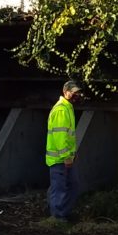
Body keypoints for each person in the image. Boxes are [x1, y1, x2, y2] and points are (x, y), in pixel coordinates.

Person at [45, 80, 84, 223]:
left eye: (78, 92)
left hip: (65, 158)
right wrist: (67, 156)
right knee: (60, 188)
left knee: (69, 186)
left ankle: (61, 213)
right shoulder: (62, 110)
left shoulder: (67, 108)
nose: (77, 95)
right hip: (60, 159)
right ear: (66, 92)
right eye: (74, 92)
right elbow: (60, 137)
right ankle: (57, 217)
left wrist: (72, 155)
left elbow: (66, 137)